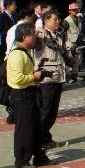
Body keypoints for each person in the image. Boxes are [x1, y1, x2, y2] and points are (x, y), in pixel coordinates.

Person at [6, 24, 50, 168]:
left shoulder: (24, 52)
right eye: (33, 35)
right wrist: (34, 76)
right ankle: (21, 159)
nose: (35, 37)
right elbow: (17, 79)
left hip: (29, 93)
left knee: (35, 126)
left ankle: (39, 156)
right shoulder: (17, 54)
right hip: (21, 95)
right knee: (24, 128)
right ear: (25, 37)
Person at [35, 11, 68, 149]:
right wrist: (37, 30)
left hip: (57, 77)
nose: (58, 21)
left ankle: (45, 137)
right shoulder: (41, 35)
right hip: (46, 79)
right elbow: (29, 38)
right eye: (55, 19)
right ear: (46, 21)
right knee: (45, 111)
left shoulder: (57, 35)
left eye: (58, 19)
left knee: (52, 112)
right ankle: (38, 140)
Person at [63, 2, 83, 82]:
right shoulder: (66, 21)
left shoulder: (78, 18)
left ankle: (75, 75)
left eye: (76, 9)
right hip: (69, 43)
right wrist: (64, 44)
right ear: (69, 11)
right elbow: (63, 33)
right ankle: (69, 77)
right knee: (70, 60)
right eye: (73, 10)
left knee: (78, 60)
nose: (75, 11)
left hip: (78, 42)